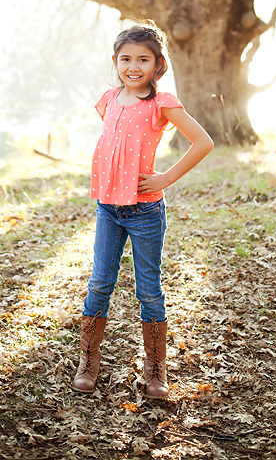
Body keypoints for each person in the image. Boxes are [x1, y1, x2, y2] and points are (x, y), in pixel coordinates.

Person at [73, 22, 214, 398]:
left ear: (157, 64)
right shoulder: (107, 99)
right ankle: (89, 358)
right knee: (100, 282)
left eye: (143, 59)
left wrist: (165, 177)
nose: (133, 66)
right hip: (108, 209)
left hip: (145, 212)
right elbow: (115, 147)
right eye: (125, 58)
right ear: (115, 61)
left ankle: (155, 368)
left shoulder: (162, 103)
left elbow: (204, 141)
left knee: (148, 289)